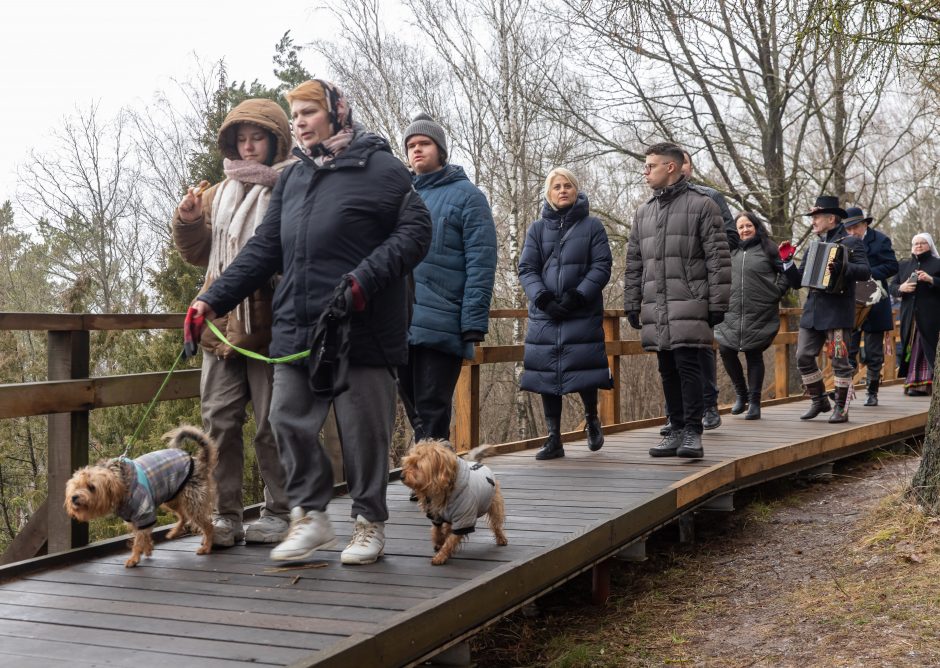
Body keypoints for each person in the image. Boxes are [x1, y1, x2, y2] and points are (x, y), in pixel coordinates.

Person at [189, 80, 431, 565]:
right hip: (298, 328)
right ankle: (311, 516)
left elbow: (416, 232)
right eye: (294, 114)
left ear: (337, 115)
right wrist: (211, 301)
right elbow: (264, 249)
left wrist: (365, 280)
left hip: (360, 326)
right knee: (285, 419)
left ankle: (368, 522)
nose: (297, 121)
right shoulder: (295, 178)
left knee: (363, 430)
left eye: (307, 112)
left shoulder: (380, 168)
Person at [172, 98, 293, 547]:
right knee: (218, 423)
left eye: (256, 138)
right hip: (219, 325)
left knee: (271, 424)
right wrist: (187, 219)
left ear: (275, 140)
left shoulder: (288, 188)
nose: (247, 147)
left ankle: (280, 512)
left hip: (269, 326)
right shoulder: (216, 193)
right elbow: (197, 253)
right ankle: (225, 516)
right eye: (240, 139)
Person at [624, 142, 731, 460]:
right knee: (666, 367)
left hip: (690, 302)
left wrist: (717, 303)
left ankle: (693, 433)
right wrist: (632, 301)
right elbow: (634, 262)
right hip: (656, 305)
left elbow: (718, 259)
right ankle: (675, 427)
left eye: (650, 166)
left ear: (670, 167)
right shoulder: (644, 212)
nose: (645, 172)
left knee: (688, 366)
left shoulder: (702, 205)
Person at [399, 113, 497, 441]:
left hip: (444, 320)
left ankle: (435, 483)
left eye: (424, 143)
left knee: (432, 405)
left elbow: (481, 262)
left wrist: (473, 322)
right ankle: (432, 474)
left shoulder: (468, 197)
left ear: (440, 149)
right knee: (412, 408)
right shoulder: (400, 196)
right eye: (411, 145)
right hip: (400, 320)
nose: (416, 150)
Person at [519, 167, 613, 460]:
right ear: (548, 193)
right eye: (557, 186)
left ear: (576, 191)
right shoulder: (536, 229)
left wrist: (577, 296)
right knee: (547, 375)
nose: (562, 190)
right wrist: (543, 299)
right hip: (545, 314)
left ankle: (591, 418)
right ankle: (554, 438)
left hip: (580, 311)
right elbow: (527, 268)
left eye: (568, 186)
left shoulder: (592, 226)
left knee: (582, 368)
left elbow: (601, 266)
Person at [781, 196, 870, 422]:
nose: (813, 222)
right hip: (812, 312)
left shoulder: (851, 242)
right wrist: (787, 262)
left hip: (837, 312)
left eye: (816, 217)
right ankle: (819, 400)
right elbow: (798, 281)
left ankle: (841, 407)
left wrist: (843, 267)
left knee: (840, 361)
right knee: (803, 356)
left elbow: (865, 272)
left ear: (831, 218)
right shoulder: (814, 247)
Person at [680, 150, 739, 430]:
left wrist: (701, 256)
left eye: (684, 163)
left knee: (701, 346)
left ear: (688, 167)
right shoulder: (656, 203)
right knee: (670, 351)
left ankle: (709, 406)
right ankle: (676, 415)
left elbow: (731, 237)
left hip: (700, 285)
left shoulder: (710, 198)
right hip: (669, 287)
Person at [714, 212, 791, 420]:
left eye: (748, 225)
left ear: (756, 226)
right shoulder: (729, 250)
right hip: (730, 311)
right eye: (740, 227)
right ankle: (741, 394)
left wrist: (777, 292)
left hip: (760, 310)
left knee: (753, 353)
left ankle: (755, 403)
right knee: (726, 349)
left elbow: (787, 273)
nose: (744, 230)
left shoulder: (769, 249)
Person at [843, 207, 898, 406]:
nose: (851, 232)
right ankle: (845, 391)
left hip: (875, 301)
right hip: (850, 302)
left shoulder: (880, 240)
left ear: (865, 224)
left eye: (855, 227)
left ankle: (872, 392)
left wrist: (866, 273)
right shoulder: (842, 242)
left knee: (873, 353)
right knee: (848, 350)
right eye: (848, 229)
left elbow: (892, 266)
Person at [894, 233, 940, 396]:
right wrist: (901, 288)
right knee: (912, 348)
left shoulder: (937, 264)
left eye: (922, 243)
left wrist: (932, 280)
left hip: (932, 316)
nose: (918, 246)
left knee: (928, 347)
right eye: (915, 243)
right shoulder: (904, 265)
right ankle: (914, 384)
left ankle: (931, 384)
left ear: (929, 246)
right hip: (909, 316)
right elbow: (891, 287)